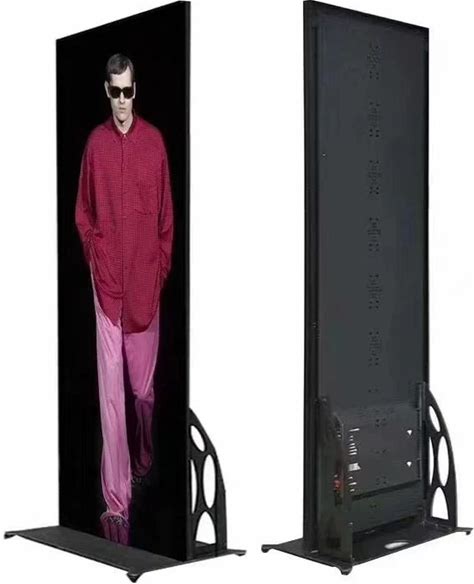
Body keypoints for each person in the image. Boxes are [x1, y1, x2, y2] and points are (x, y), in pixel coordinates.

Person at [74, 53, 174, 545]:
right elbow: (83, 213)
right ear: (106, 91)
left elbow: (166, 222)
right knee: (111, 399)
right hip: (108, 289)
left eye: (127, 91)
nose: (121, 101)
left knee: (142, 395)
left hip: (144, 292)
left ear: (136, 90)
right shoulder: (95, 145)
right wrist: (96, 261)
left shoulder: (154, 144)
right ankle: (116, 506)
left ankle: (145, 449)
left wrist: (158, 271)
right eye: (114, 91)